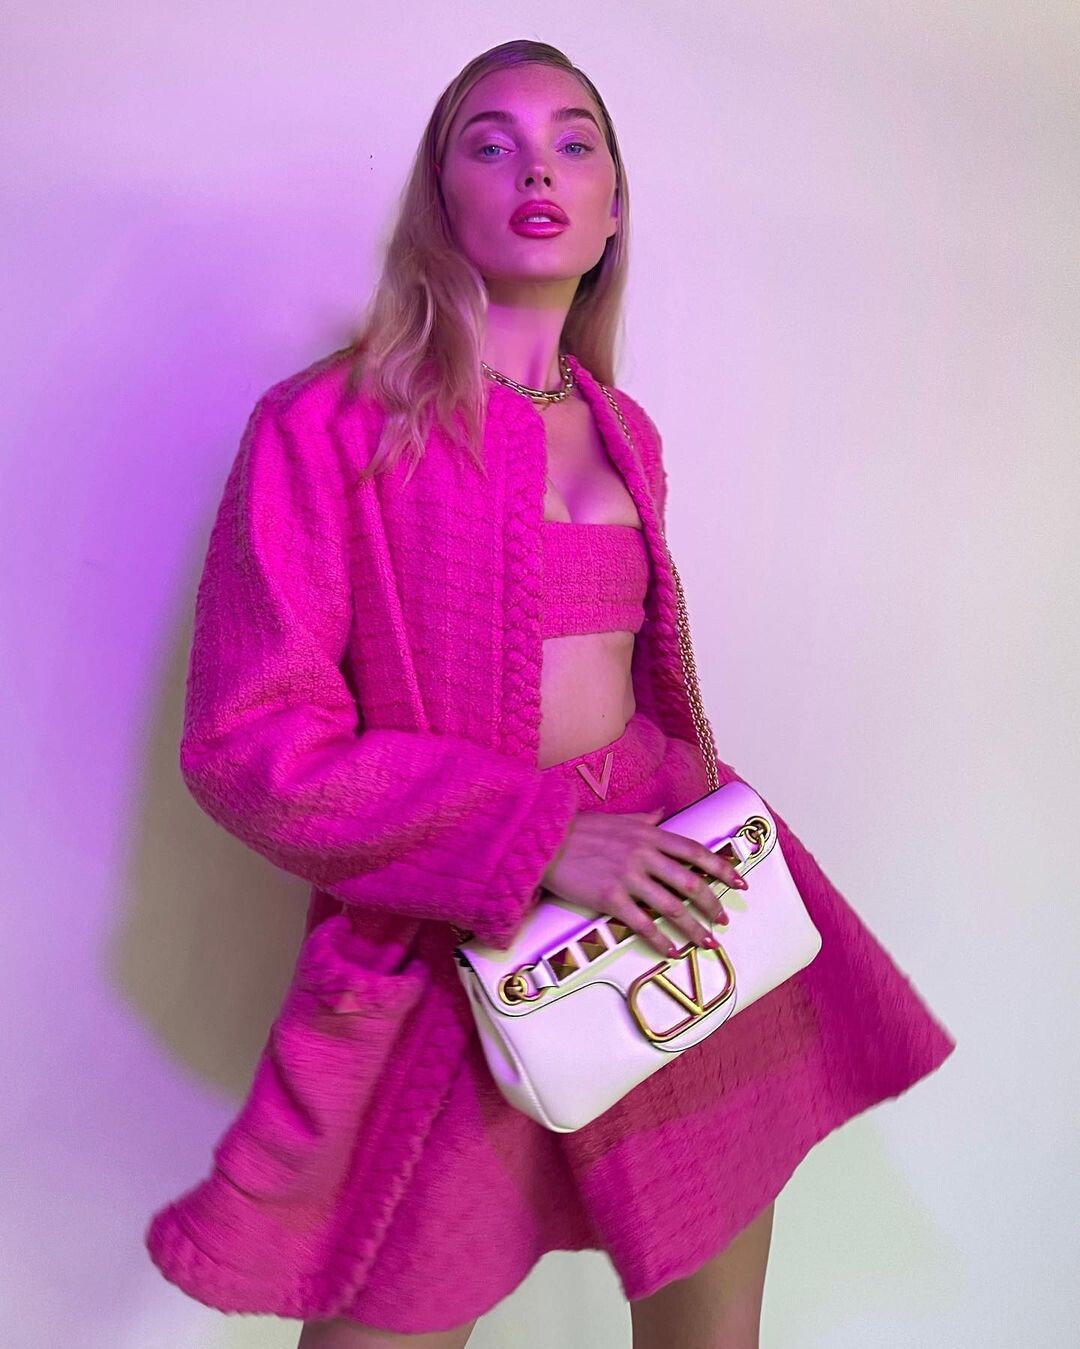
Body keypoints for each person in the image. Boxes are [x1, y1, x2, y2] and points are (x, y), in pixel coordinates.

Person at [144, 40, 957, 1349]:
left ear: (613, 206)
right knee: (384, 1316)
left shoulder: (626, 431)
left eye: (576, 144)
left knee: (711, 1330)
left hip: (672, 904)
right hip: (452, 944)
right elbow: (251, 743)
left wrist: (667, 831)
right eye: (492, 142)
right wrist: (538, 841)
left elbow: (649, 690)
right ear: (439, 195)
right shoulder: (325, 426)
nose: (538, 170)